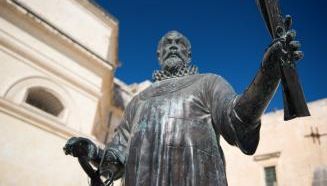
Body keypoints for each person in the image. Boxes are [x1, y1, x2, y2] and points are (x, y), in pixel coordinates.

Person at [64, 26, 303, 186]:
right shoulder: (138, 101)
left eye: (179, 43)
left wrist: (269, 72)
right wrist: (93, 152)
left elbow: (237, 120)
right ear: (159, 54)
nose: (173, 46)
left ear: (188, 54)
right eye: (167, 43)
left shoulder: (209, 82)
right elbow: (118, 153)